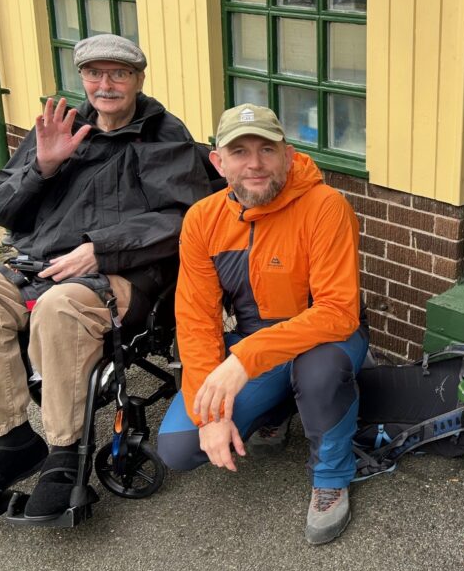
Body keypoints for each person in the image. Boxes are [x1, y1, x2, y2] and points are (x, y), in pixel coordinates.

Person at [0, 34, 211, 519]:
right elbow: (5, 208)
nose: (106, 84)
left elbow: (185, 218)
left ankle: (63, 455)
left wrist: (101, 249)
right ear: (82, 78)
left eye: (119, 73)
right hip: (38, 262)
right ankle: (12, 438)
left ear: (138, 79)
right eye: (95, 73)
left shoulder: (163, 136)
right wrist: (43, 167)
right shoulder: (62, 126)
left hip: (122, 273)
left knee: (59, 307)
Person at [157, 104, 368, 546]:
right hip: (256, 345)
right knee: (180, 445)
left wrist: (243, 361)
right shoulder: (202, 219)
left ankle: (332, 476)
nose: (255, 164)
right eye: (239, 152)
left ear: (287, 156)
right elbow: (195, 320)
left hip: (328, 340)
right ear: (218, 162)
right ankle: (281, 406)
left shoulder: (326, 206)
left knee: (319, 371)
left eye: (266, 150)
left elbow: (337, 312)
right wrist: (210, 413)